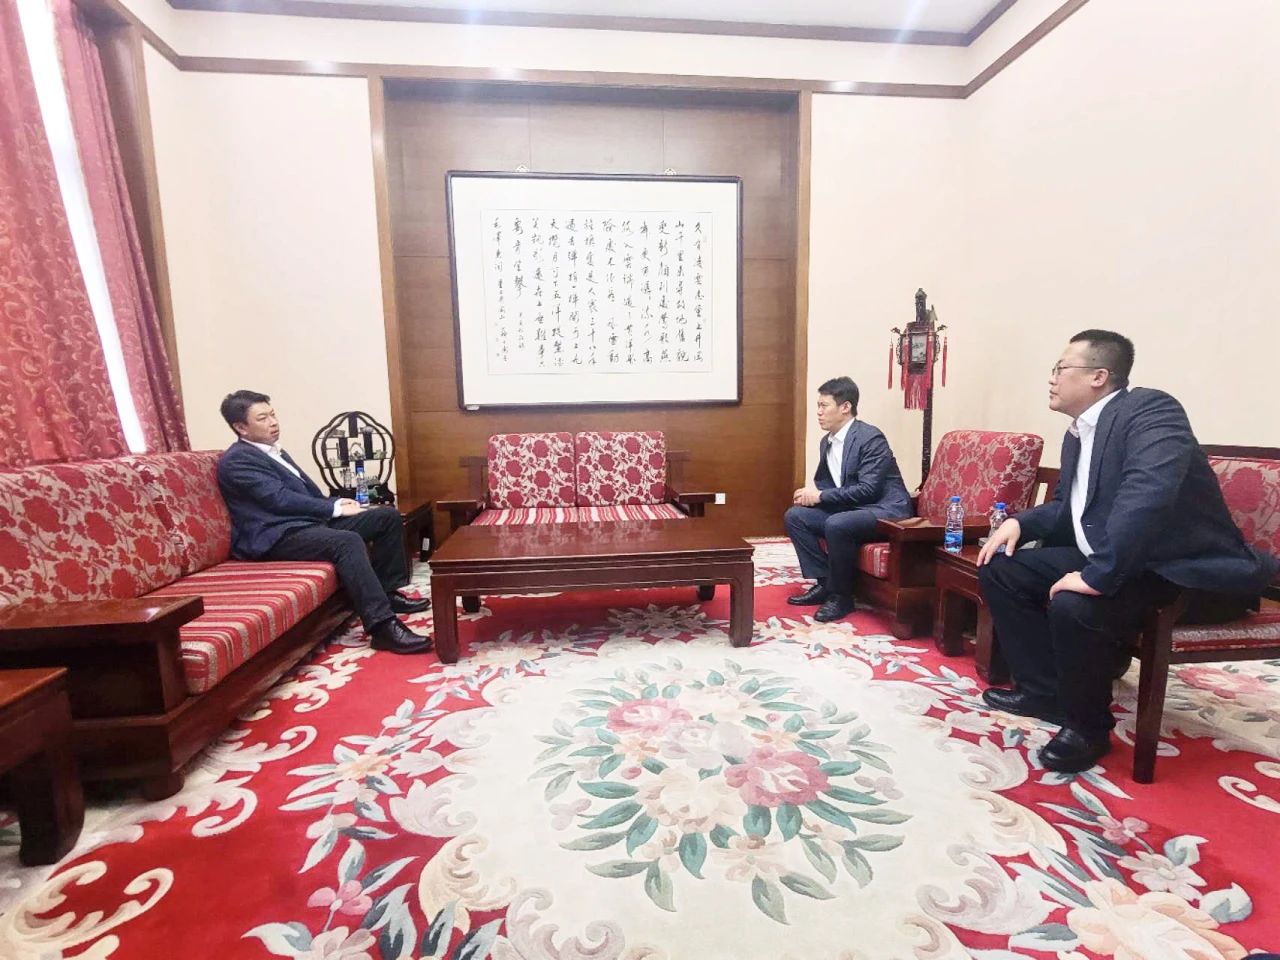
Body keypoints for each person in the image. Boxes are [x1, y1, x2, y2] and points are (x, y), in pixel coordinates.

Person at [977, 331, 1279, 773]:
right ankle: (1045, 692)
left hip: (1181, 570)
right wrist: (1021, 522)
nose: (1052, 378)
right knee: (1003, 569)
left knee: (1075, 603)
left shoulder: (1150, 410)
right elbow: (1067, 506)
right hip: (1125, 558)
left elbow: (1147, 494)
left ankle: (1087, 729)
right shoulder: (1078, 434)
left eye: (1061, 368)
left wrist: (1097, 575)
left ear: (1099, 376)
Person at [216, 391, 433, 655]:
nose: (273, 422)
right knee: (347, 541)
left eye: (272, 414)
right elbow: (278, 500)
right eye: (263, 418)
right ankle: (382, 627)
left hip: (305, 524)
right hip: (276, 535)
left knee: (386, 517)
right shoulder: (238, 460)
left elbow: (306, 494)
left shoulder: (273, 451)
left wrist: (339, 503)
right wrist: (334, 507)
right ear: (241, 427)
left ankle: (388, 593)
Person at [784, 376, 913, 622]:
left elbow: (869, 490)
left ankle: (842, 597)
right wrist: (812, 496)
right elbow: (828, 484)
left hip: (885, 510)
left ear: (845, 407)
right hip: (853, 509)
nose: (818, 412)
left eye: (824, 406)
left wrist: (820, 496)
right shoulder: (827, 442)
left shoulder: (870, 438)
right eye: (818, 406)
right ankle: (825, 583)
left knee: (838, 523)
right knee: (796, 516)